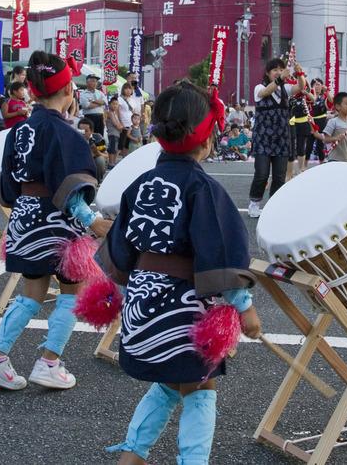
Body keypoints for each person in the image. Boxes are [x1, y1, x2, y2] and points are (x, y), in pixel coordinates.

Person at [99, 81, 259, 465]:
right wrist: (245, 309)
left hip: (140, 306)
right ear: (206, 142)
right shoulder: (203, 188)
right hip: (182, 310)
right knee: (201, 387)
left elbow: (121, 250)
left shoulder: (139, 184)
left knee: (169, 383)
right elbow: (221, 255)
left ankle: (131, 456)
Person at [0, 51, 112, 390]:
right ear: (68, 91)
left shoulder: (18, 131)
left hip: (24, 219)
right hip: (58, 224)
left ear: (32, 92)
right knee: (70, 293)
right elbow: (71, 188)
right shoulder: (66, 134)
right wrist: (92, 221)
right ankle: (50, 362)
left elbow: (7, 185)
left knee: (30, 295)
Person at [247, 58, 305, 218]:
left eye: (281, 69)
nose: (279, 72)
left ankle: (274, 204)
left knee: (280, 175)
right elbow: (265, 93)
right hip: (263, 138)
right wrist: (281, 78)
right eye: (275, 70)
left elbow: (301, 87)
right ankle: (254, 203)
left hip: (282, 138)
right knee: (262, 174)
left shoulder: (285, 88)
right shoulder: (260, 87)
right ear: (268, 72)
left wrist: (299, 73)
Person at [117, 82, 138, 156]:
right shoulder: (120, 99)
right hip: (124, 124)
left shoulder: (132, 100)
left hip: (132, 124)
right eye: (126, 88)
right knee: (122, 142)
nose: (128, 90)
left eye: (130, 88)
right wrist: (120, 122)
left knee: (128, 143)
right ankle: (116, 159)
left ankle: (125, 158)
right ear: (123, 90)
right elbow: (117, 111)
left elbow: (134, 112)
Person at [106, 93, 124, 167]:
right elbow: (115, 124)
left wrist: (120, 126)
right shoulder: (110, 113)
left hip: (116, 134)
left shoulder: (115, 113)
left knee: (115, 148)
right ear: (109, 104)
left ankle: (113, 162)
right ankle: (111, 163)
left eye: (116, 104)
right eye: (113, 104)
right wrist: (121, 127)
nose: (115, 105)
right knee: (112, 149)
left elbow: (119, 123)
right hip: (112, 133)